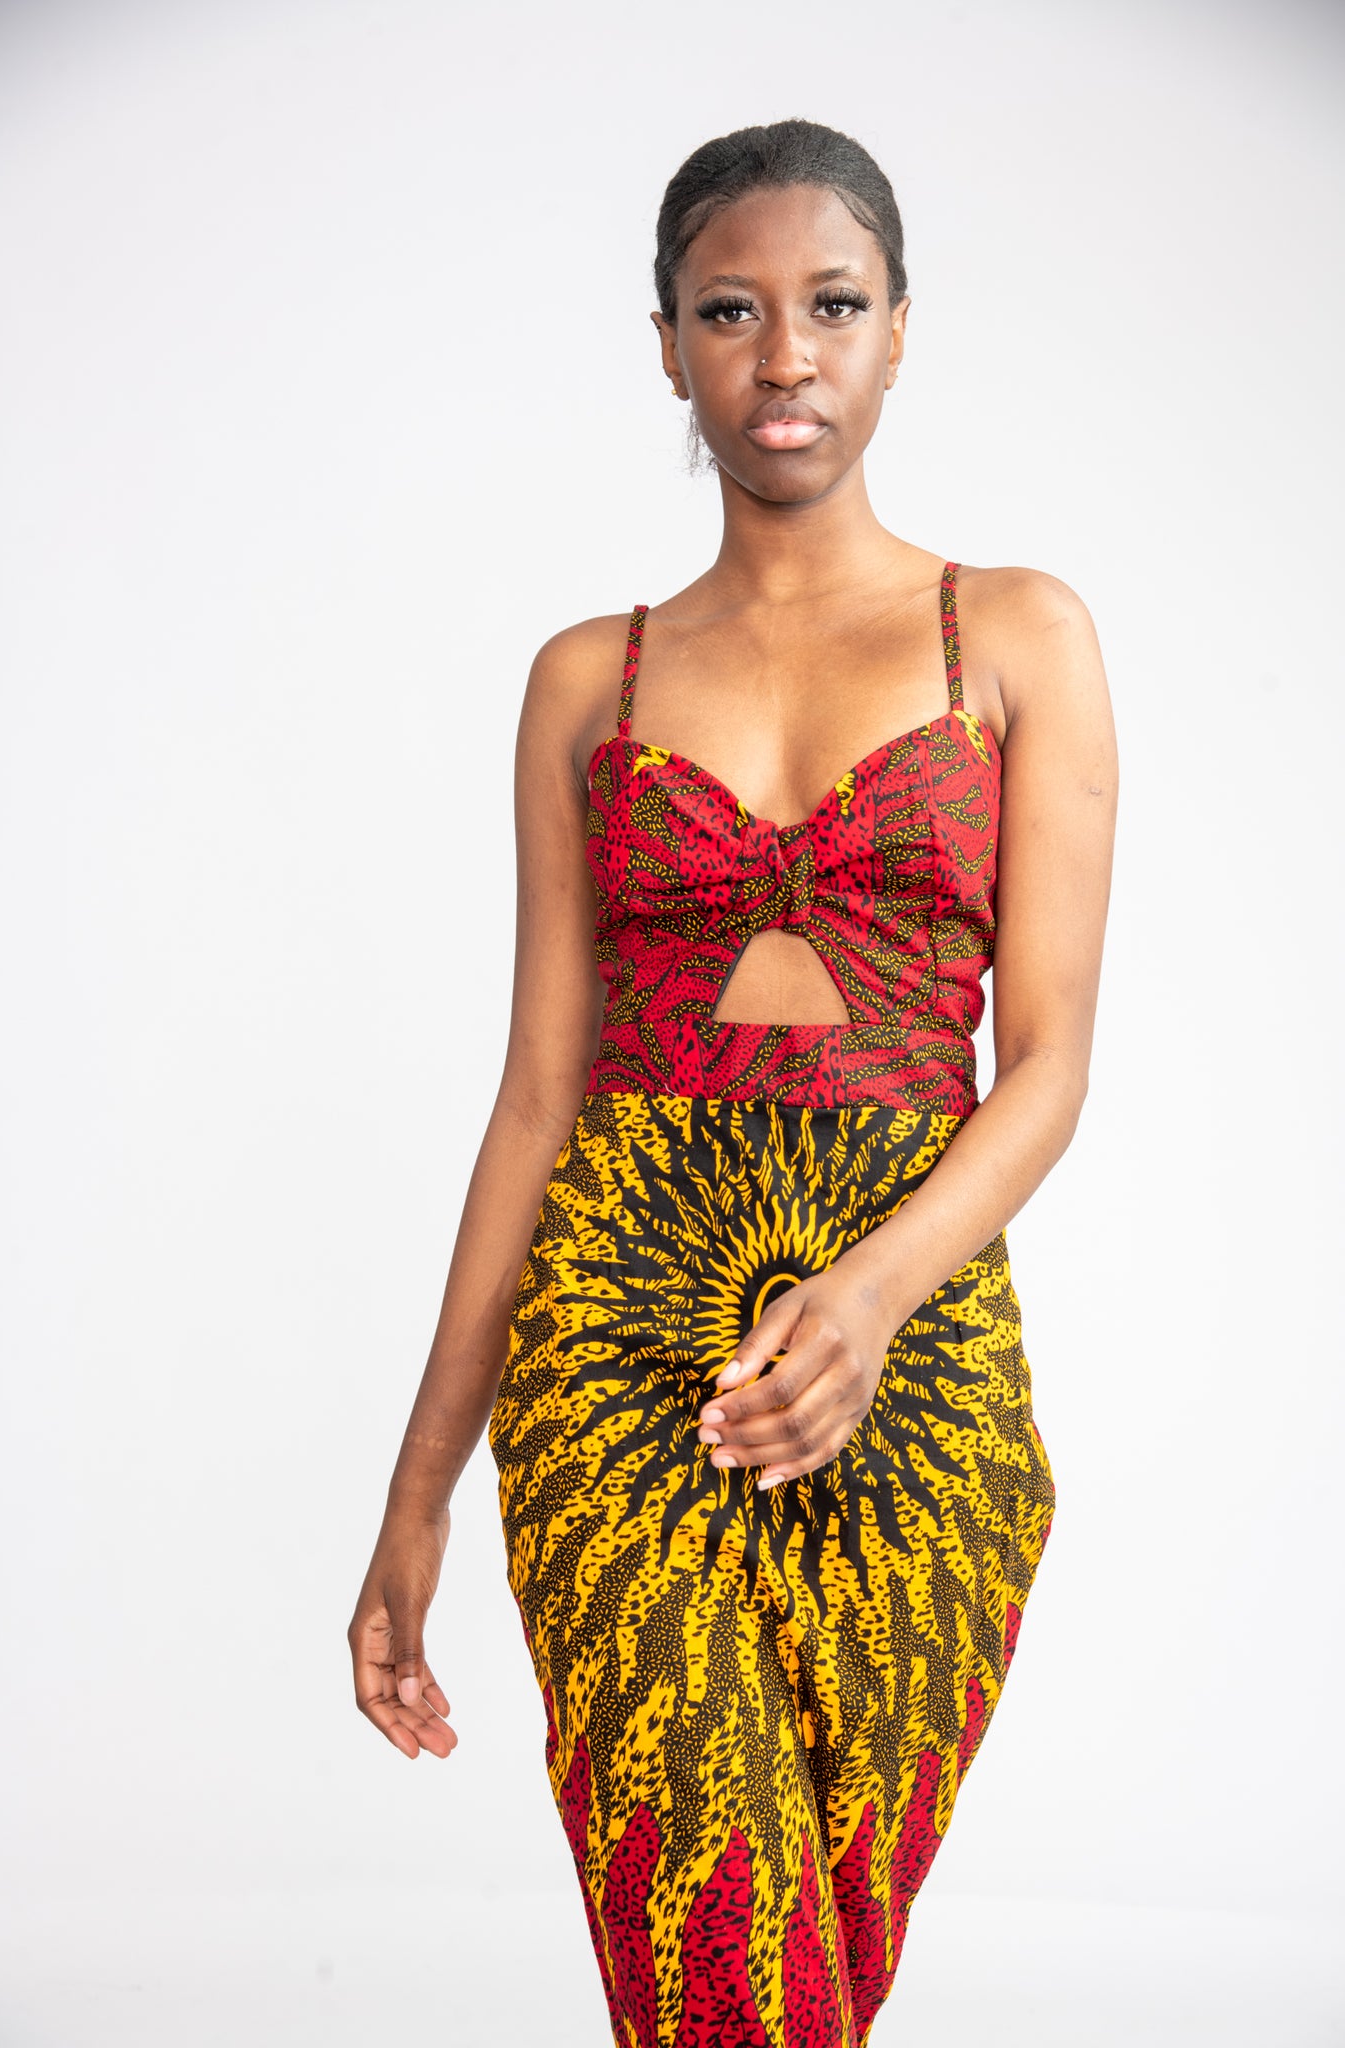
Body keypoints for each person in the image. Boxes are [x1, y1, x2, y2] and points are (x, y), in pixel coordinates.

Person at [348, 116, 1117, 2047]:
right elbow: (535, 1099)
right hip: (619, 1353)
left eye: (831, 305)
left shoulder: (1015, 635)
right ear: (668, 344)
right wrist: (418, 1495)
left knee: (814, 1970)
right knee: (712, 1958)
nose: (784, 356)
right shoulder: (585, 680)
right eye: (729, 311)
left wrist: (864, 1302)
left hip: (917, 1357)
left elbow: (1045, 1065)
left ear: (899, 328)